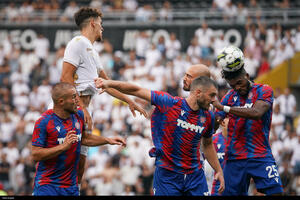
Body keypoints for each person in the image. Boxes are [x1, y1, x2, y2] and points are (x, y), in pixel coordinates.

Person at [94, 76, 225, 196]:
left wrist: (218, 170)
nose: (214, 100)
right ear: (198, 92)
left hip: (195, 176)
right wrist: (108, 83)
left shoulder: (208, 116)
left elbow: (207, 144)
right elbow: (136, 90)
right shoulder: (169, 103)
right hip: (167, 175)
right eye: (212, 95)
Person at [60, 7, 147, 186]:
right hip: (72, 109)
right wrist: (81, 107)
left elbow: (107, 84)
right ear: (93, 23)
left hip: (84, 108)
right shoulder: (77, 42)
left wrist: (129, 101)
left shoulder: (93, 51)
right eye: (101, 24)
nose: (102, 28)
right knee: (66, 161)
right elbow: (65, 77)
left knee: (81, 164)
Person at [31, 82, 126, 196]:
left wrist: (107, 140)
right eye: (73, 97)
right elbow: (35, 154)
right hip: (47, 185)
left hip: (71, 186)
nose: (77, 100)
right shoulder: (44, 121)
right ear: (61, 101)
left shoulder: (79, 115)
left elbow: (84, 138)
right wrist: (63, 147)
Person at [213, 46, 283, 196]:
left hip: (260, 154)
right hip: (235, 157)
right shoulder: (229, 97)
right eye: (233, 86)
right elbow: (214, 122)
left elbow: (257, 113)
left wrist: (225, 109)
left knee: (276, 192)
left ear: (247, 76)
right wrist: (211, 114)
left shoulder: (264, 90)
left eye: (239, 83)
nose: (237, 88)